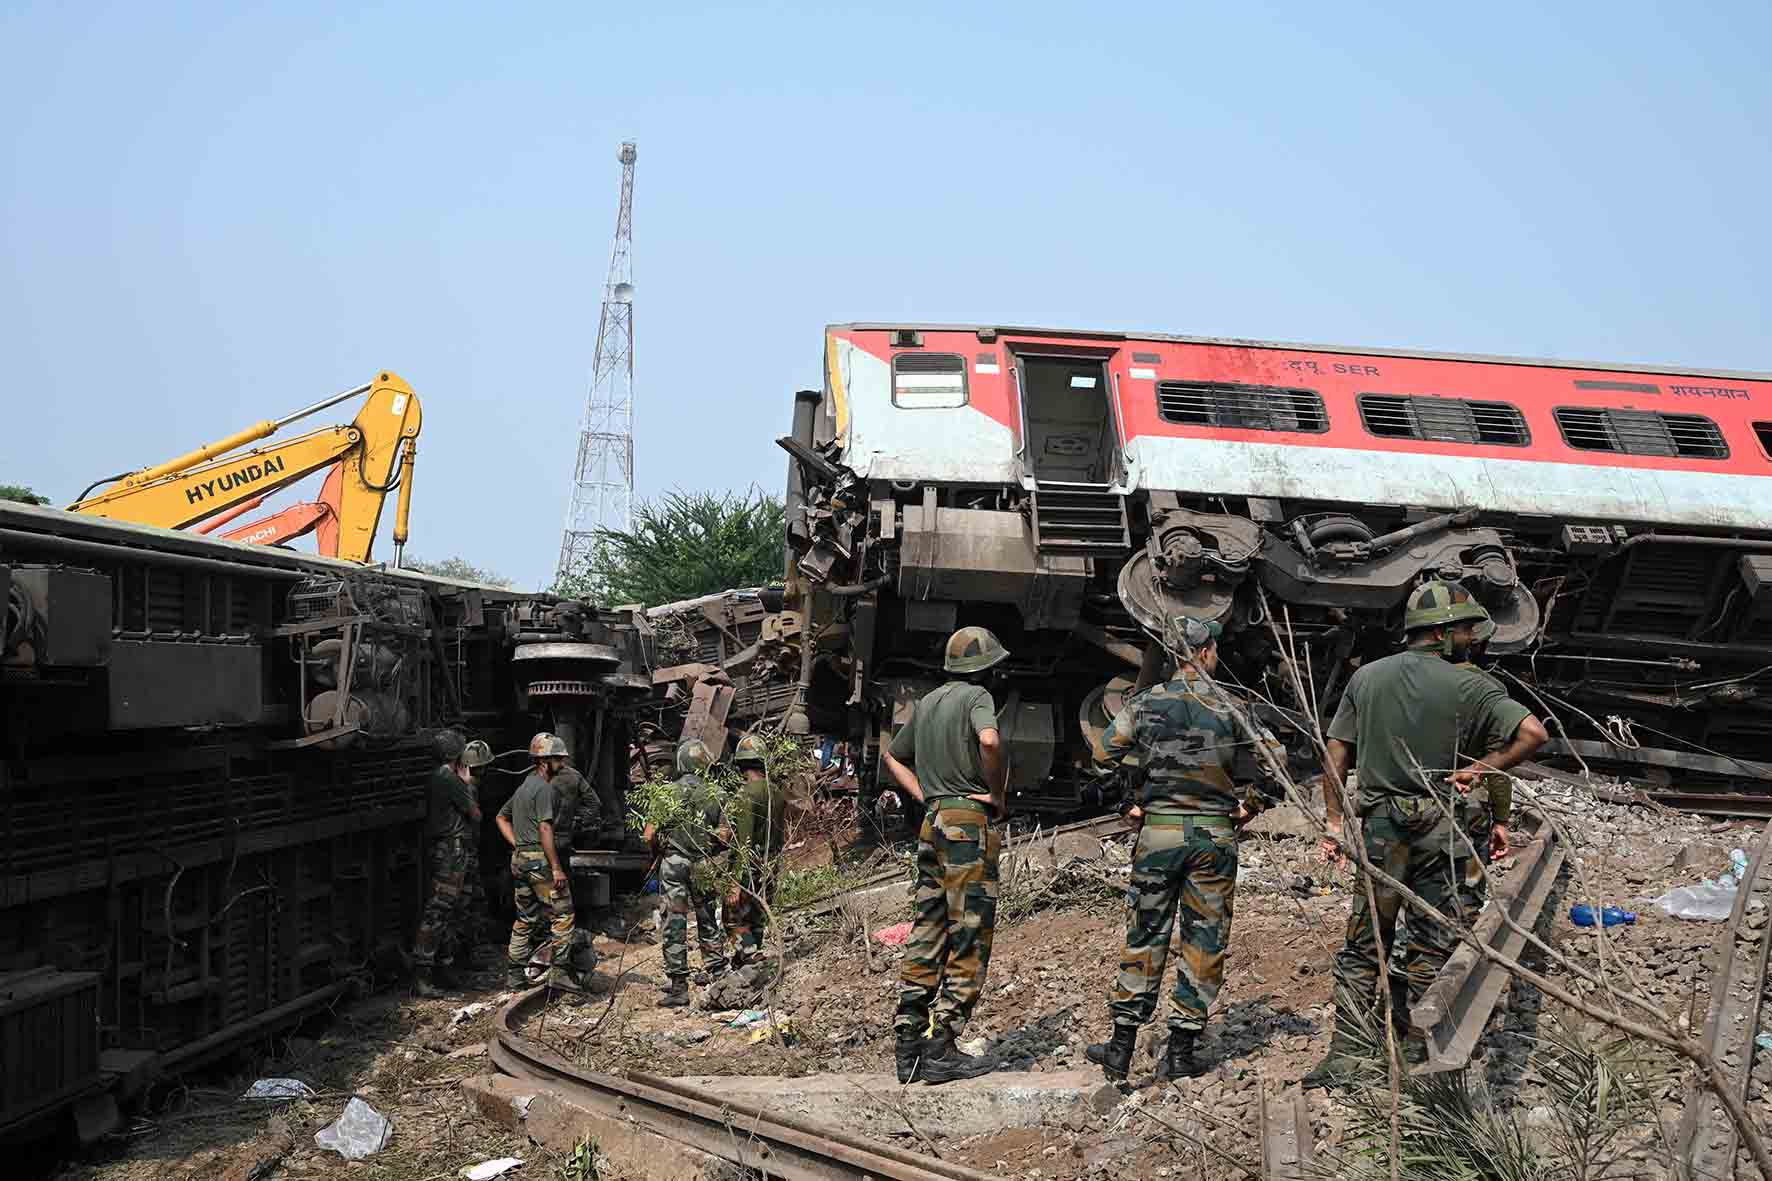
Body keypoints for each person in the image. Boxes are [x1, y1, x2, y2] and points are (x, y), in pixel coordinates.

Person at [1304, 582, 1548, 1089]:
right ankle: (1413, 1049)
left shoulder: (1366, 679)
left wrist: (1333, 820)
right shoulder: (1474, 686)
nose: (1472, 638)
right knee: (1433, 937)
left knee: (1365, 937)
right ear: (1440, 633)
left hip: (1381, 827)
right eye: (1464, 629)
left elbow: (1335, 756)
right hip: (1447, 827)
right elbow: (1532, 736)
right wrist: (1484, 773)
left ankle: (1346, 1054)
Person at [1085, 617, 1286, 1082]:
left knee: (1145, 934)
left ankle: (1119, 1050)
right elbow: (1276, 762)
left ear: (1177, 657)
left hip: (1159, 834)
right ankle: (1180, 1051)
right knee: (1204, 939)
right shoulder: (1232, 705)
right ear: (1208, 652)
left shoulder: (1146, 702)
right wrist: (1250, 806)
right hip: (1214, 836)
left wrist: (1127, 803)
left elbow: (1102, 758)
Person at [880, 625, 1010, 1085]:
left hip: (931, 824)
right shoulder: (977, 697)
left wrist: (925, 796)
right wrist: (995, 795)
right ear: (987, 669)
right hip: (966, 826)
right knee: (970, 932)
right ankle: (943, 1046)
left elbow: (892, 757)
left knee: (928, 928)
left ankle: (908, 1043)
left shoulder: (929, 702)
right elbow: (990, 741)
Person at [644, 738, 730, 1008]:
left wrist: (660, 848)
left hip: (673, 863)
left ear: (681, 763)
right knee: (707, 919)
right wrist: (706, 842)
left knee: (674, 922)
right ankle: (718, 977)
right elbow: (726, 836)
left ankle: (679, 987)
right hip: (704, 864)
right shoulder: (718, 794)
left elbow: (648, 835)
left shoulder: (666, 794)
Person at [497, 732, 581, 990]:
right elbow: (546, 829)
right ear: (544, 760)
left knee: (525, 917)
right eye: (558, 759)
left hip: (520, 859)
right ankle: (562, 974)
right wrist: (556, 867)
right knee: (563, 912)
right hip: (539, 863)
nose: (562, 764)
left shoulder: (524, 787)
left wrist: (519, 845)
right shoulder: (544, 789)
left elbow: (501, 817)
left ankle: (513, 975)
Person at [414, 730, 486, 997]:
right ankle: (425, 974)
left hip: (450, 848)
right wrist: (469, 784)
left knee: (454, 908)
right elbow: (475, 814)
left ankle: (444, 967)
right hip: (451, 850)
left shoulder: (440, 776)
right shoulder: (449, 778)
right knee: (440, 909)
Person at [725, 733, 788, 965]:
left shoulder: (745, 794)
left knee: (732, 919)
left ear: (741, 764)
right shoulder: (778, 793)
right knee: (757, 917)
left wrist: (735, 883)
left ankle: (750, 955)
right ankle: (750, 960)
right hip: (770, 863)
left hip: (749, 867)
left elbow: (744, 841)